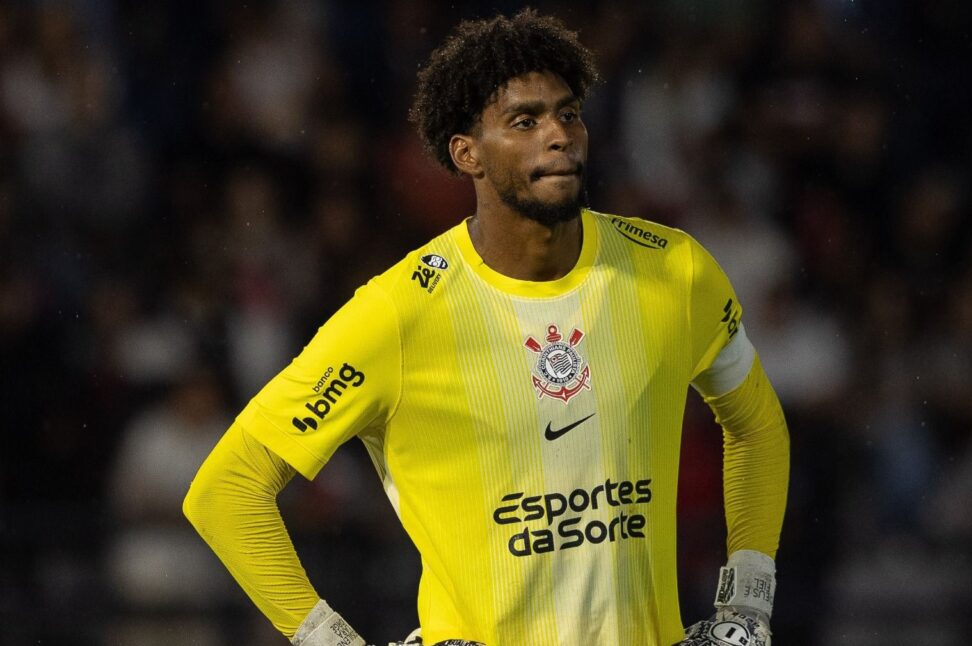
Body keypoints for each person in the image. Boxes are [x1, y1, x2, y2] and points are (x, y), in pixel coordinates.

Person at [184, 10, 789, 646]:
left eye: (568, 114)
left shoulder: (674, 271)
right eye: (524, 121)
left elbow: (756, 424)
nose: (558, 135)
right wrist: (331, 640)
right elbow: (228, 490)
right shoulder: (397, 313)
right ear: (466, 152)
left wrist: (748, 604)